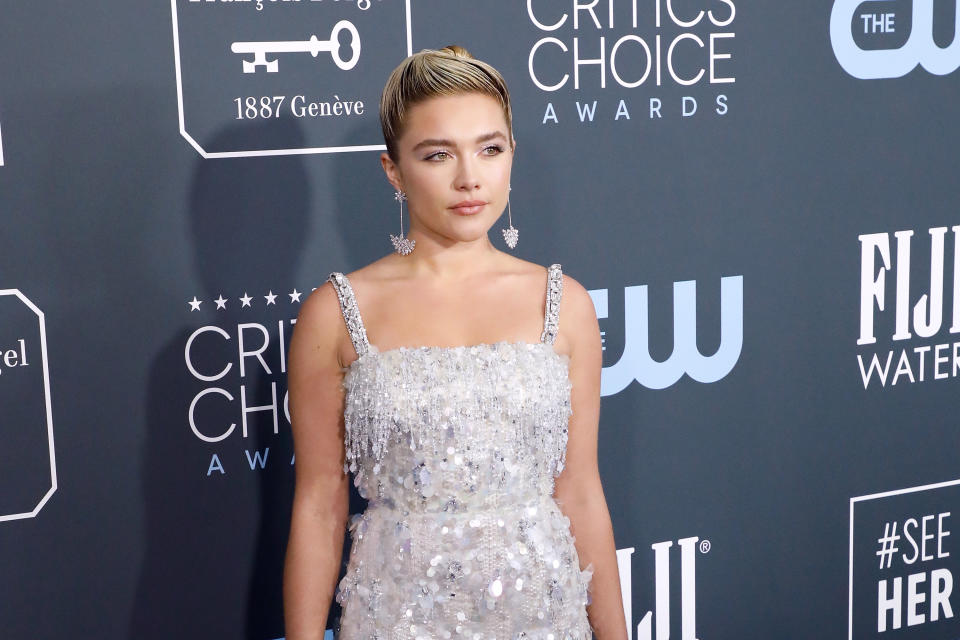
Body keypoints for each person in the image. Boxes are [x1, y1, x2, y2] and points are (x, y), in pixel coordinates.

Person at [284, 45, 627, 639]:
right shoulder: (335, 313)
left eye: (489, 149)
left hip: (540, 617)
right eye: (437, 155)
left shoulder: (564, 304)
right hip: (397, 618)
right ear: (393, 170)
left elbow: (580, 490)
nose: (469, 177)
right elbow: (319, 505)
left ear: (511, 156)